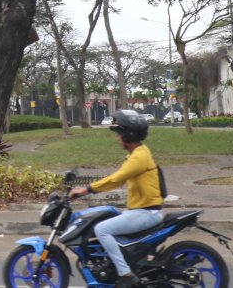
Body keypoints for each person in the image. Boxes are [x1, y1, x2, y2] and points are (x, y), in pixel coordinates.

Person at [69, 109, 165, 288]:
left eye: (120, 133)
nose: (117, 138)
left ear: (128, 135)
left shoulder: (139, 157)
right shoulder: (138, 154)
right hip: (141, 210)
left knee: (102, 229)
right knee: (109, 218)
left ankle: (125, 273)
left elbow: (115, 179)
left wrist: (85, 190)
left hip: (146, 212)